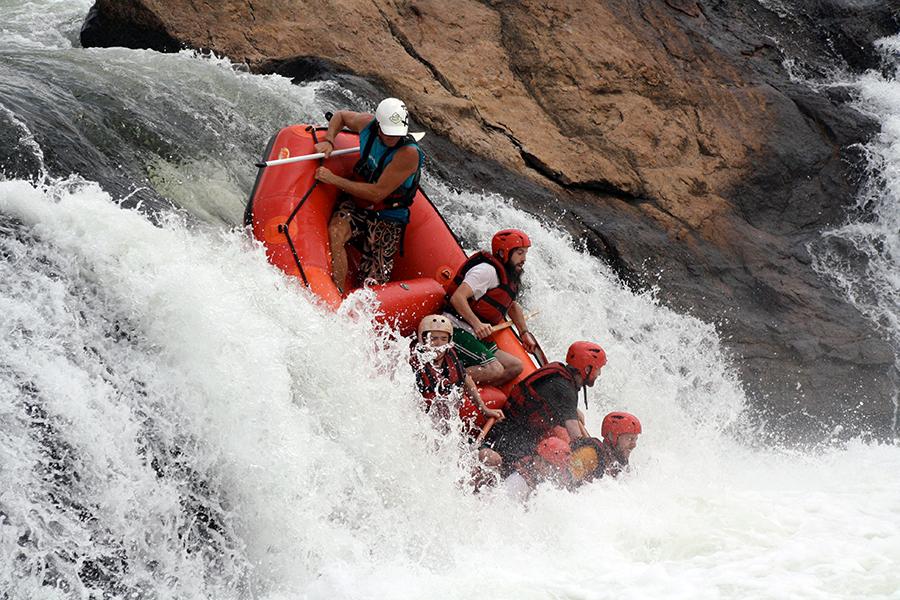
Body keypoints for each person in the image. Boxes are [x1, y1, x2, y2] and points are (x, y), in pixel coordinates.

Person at [313, 98, 424, 293]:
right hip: (358, 202)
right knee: (336, 233)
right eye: (389, 133)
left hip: (388, 215)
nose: (393, 138)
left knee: (372, 285)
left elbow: (377, 193)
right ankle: (336, 292)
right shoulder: (367, 123)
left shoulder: (408, 154)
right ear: (378, 125)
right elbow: (340, 116)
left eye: (397, 134)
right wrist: (330, 140)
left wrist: (333, 179)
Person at [482, 341, 607, 473]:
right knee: (529, 471)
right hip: (511, 434)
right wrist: (592, 457)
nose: (599, 374)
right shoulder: (566, 390)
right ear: (587, 369)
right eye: (598, 369)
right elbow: (577, 439)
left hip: (519, 430)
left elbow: (557, 399)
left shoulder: (562, 376)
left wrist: (575, 412)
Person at [443, 229, 537, 385]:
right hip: (455, 328)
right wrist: (477, 324)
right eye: (520, 253)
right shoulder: (486, 271)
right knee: (495, 369)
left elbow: (511, 306)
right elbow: (457, 298)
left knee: (515, 366)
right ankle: (443, 383)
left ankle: (468, 388)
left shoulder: (508, 275)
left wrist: (524, 333)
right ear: (504, 252)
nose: (524, 259)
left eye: (525, 253)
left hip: (471, 334)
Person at [410, 315, 504, 464]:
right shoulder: (413, 364)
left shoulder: (450, 357)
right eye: (433, 338)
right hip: (424, 433)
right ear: (422, 339)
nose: (438, 344)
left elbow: (466, 379)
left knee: (493, 459)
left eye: (443, 339)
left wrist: (484, 409)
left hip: (449, 433)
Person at [502, 436, 573, 501]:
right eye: (554, 468)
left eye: (558, 470)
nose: (556, 474)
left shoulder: (557, 480)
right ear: (538, 461)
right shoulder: (516, 482)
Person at [598, 411, 641, 478]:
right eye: (630, 439)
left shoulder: (620, 461)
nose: (634, 445)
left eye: (636, 439)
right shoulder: (593, 457)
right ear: (611, 436)